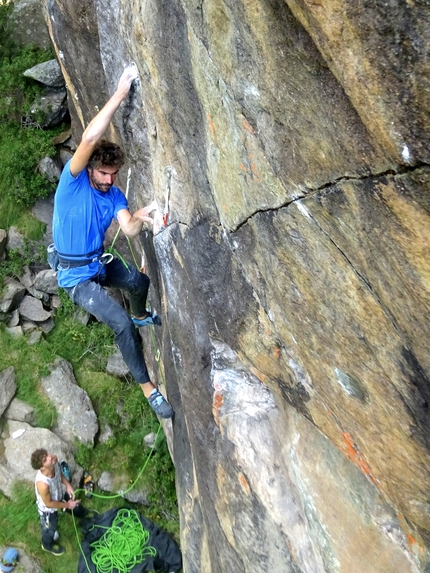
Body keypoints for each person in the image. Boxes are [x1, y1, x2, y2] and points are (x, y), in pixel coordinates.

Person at [52, 65, 173, 418]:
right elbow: (89, 139)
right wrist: (121, 93)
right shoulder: (72, 181)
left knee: (139, 281)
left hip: (98, 261)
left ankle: (140, 315)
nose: (107, 179)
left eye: (112, 174)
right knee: (117, 323)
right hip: (76, 277)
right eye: (103, 173)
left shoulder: (114, 195)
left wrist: (142, 215)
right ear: (90, 168)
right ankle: (150, 391)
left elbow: (129, 229)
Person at [31, 449, 85, 556]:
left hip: (59, 494)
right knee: (50, 529)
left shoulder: (53, 461)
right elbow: (49, 503)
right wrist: (67, 504)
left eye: (47, 454)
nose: (50, 457)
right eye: (44, 459)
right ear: (42, 467)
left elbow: (59, 474)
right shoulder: (43, 484)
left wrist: (68, 485)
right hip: (48, 510)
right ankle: (47, 545)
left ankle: (83, 513)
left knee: (76, 506)